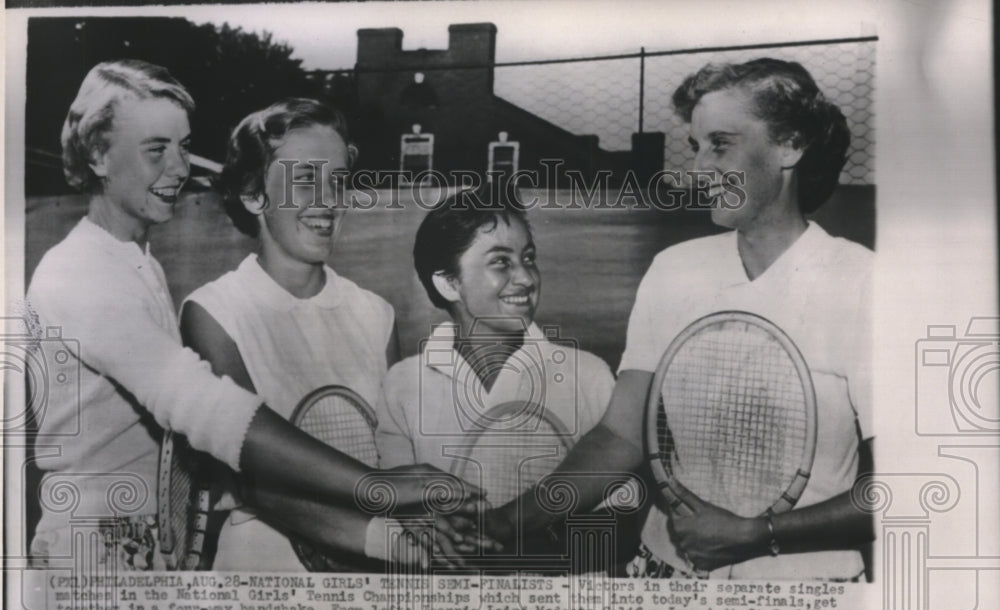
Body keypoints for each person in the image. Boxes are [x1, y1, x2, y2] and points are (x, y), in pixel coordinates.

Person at [25, 60, 476, 569]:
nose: (179, 167)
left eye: (184, 146)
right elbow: (203, 405)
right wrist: (374, 488)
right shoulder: (82, 273)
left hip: (145, 552)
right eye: (156, 149)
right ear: (98, 153)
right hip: (94, 555)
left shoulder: (133, 260)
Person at [486, 58, 874, 580]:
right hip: (662, 574)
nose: (698, 169)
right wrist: (502, 525)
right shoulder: (674, 269)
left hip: (807, 595)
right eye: (696, 148)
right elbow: (621, 438)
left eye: (721, 144)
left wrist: (760, 536)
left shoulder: (866, 281)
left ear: (789, 144)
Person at [181, 98, 404, 570]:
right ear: (253, 195)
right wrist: (390, 540)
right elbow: (255, 481)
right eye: (304, 179)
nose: (328, 200)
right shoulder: (211, 313)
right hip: (259, 585)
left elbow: (398, 466)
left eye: (338, 181)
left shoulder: (377, 315)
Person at [375, 188, 620, 562]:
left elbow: (624, 522)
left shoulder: (591, 377)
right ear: (448, 283)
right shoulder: (402, 385)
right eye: (501, 262)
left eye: (529, 258)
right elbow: (402, 509)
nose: (525, 277)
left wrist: (515, 547)